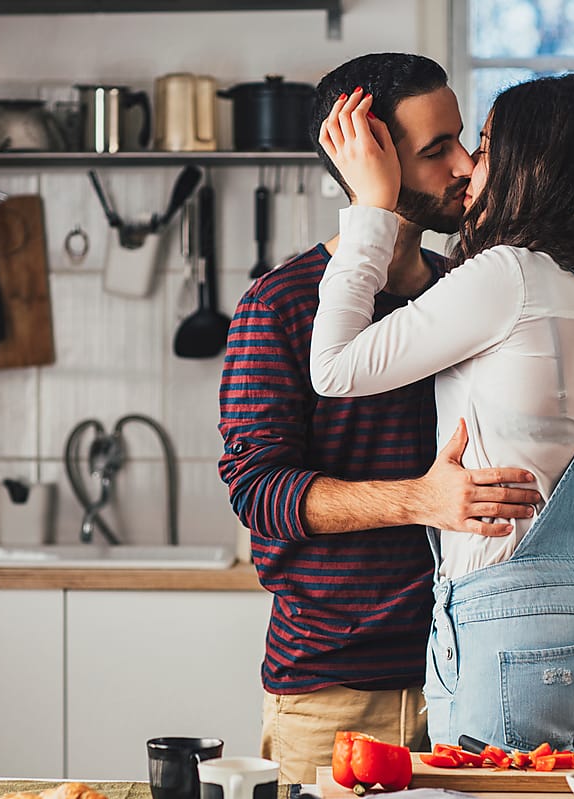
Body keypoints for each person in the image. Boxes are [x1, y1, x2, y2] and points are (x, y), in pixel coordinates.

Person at [309, 74, 574, 758]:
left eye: (483, 147)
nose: (470, 167)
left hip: (511, 636)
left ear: (528, 167)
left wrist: (370, 207)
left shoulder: (506, 275)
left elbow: (334, 367)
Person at [217, 53, 543, 784]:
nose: (465, 164)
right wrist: (419, 497)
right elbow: (258, 493)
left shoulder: (470, 290)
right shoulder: (279, 307)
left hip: (473, 674)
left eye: (463, 140)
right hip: (332, 688)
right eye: (437, 151)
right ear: (370, 158)